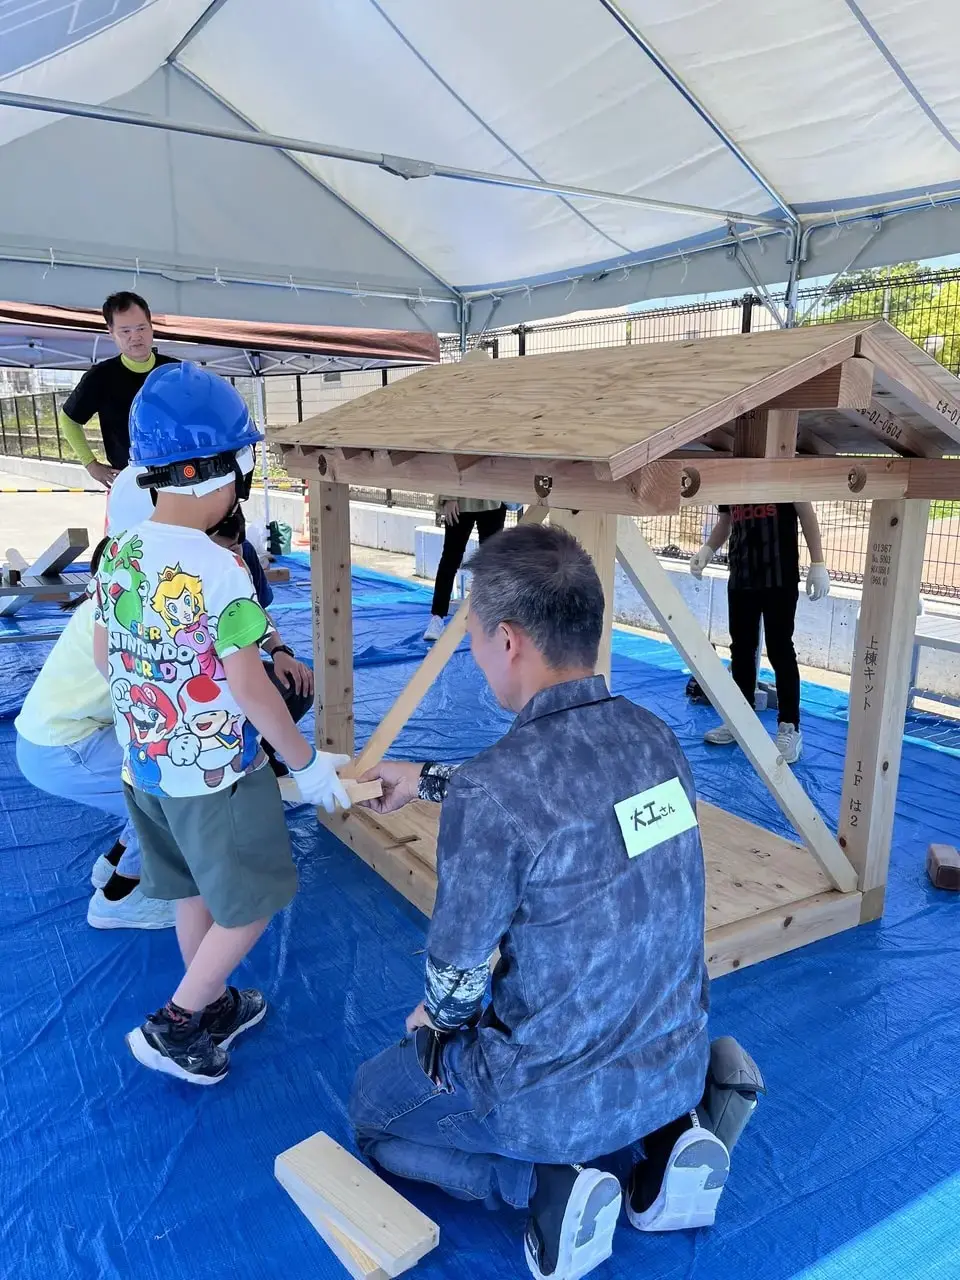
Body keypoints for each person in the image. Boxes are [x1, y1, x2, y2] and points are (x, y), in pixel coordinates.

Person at [350, 523, 732, 1280]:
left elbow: (456, 974)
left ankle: (543, 1182)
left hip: (550, 1097)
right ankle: (668, 1142)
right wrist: (425, 778)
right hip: (672, 1056)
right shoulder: (657, 738)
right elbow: (564, 804)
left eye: (476, 634)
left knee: (372, 1112)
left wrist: (432, 1026)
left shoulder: (499, 790)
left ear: (510, 641)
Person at [93, 362, 352, 1085]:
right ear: (211, 472)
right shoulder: (220, 569)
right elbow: (249, 686)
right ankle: (177, 1024)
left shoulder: (120, 550)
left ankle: (209, 1005)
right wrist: (305, 762)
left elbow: (102, 653)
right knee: (253, 902)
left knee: (192, 890)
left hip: (144, 770)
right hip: (215, 778)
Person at [14, 534, 176, 931]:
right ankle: (121, 897)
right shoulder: (130, 617)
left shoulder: (106, 604)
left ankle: (115, 862)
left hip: (53, 738)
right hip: (62, 747)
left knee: (146, 774)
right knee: (170, 788)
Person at [690, 502, 830, 764]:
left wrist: (818, 563)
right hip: (742, 576)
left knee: (780, 650)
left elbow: (806, 513)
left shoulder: (784, 469)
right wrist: (708, 550)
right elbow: (726, 521)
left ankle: (789, 726)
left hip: (779, 576)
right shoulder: (731, 474)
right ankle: (740, 720)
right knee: (741, 649)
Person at [207, 505, 313, 778]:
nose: (234, 556)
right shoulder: (186, 567)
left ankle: (261, 750)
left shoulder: (244, 558)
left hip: (239, 662)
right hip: (200, 672)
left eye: (237, 547)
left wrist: (279, 651)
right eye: (225, 549)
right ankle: (230, 757)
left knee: (297, 683)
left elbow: (256, 613)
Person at [60, 291, 178, 489]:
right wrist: (91, 464)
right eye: (125, 331)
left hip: (180, 477)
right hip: (131, 482)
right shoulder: (101, 377)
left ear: (151, 327)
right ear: (111, 333)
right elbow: (68, 419)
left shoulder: (175, 372)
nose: (136, 337)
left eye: (141, 328)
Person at [422, 496, 506, 642]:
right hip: (461, 500)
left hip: (493, 499)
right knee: (450, 558)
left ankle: (492, 620)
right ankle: (437, 617)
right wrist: (448, 496)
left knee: (491, 565)